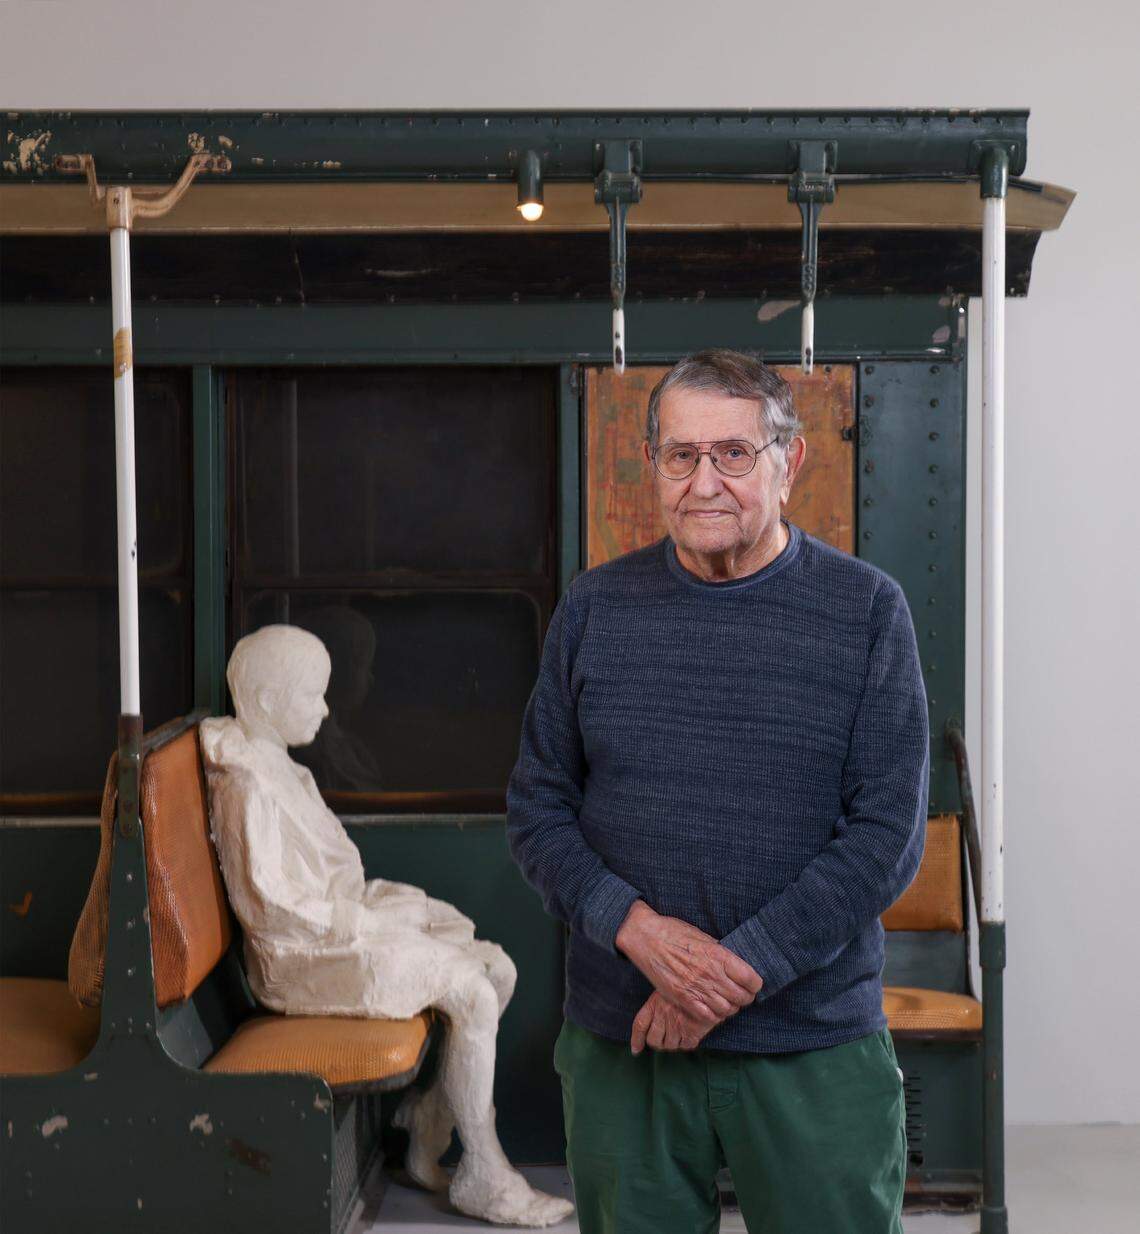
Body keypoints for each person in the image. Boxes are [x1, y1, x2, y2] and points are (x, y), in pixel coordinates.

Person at [506, 349, 929, 1233]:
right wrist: (640, 931)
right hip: (628, 1045)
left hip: (812, 1042)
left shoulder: (867, 612)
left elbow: (885, 834)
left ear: (789, 462)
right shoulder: (593, 610)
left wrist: (728, 976)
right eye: (680, 455)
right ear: (654, 465)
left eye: (733, 454)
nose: (705, 483)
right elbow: (538, 810)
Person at [200, 625, 574, 1228]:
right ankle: (482, 1171)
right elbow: (271, 906)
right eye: (313, 696)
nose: (326, 709)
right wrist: (366, 920)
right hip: (300, 958)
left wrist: (378, 910)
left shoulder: (280, 768)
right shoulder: (246, 783)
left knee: (495, 965)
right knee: (472, 991)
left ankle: (428, 1120)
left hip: (334, 924)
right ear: (269, 704)